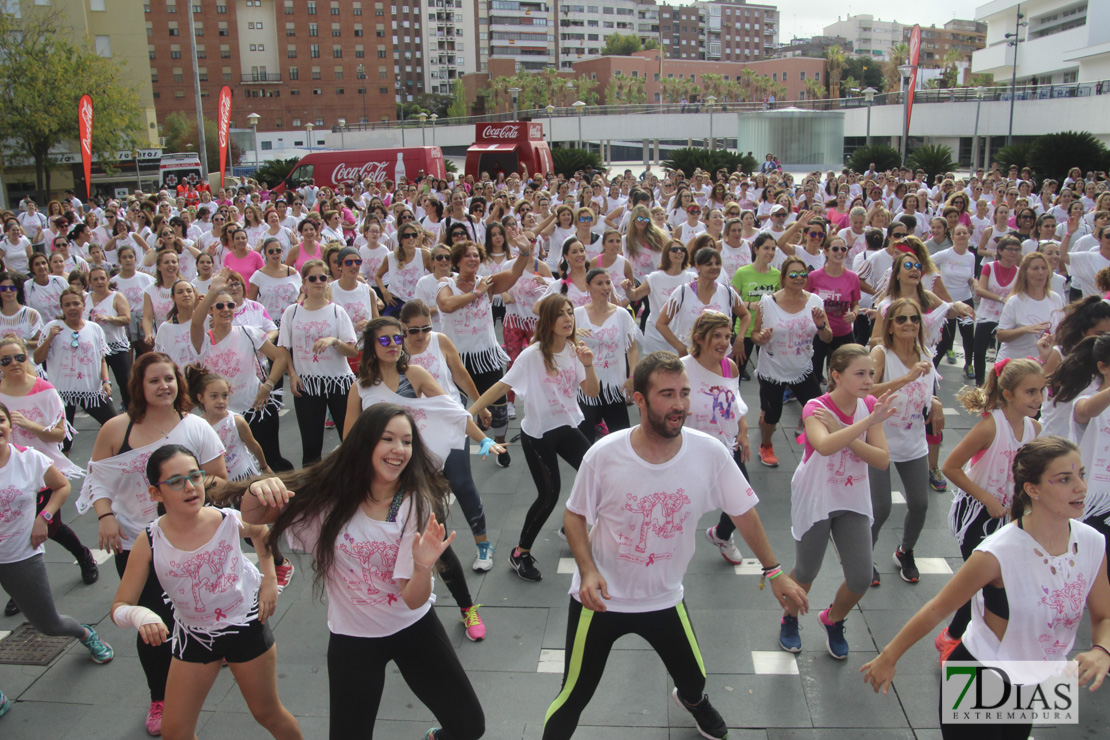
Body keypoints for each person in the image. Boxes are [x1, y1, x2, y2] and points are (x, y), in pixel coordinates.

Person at [542, 351, 808, 740]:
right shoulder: (603, 455)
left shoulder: (710, 452)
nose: (680, 404)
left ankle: (694, 702)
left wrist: (775, 571)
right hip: (600, 600)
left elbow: (744, 512)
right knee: (573, 695)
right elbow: (575, 515)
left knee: (695, 680)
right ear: (639, 399)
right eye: (667, 394)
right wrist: (587, 571)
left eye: (684, 393)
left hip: (664, 597)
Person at [239, 404, 486, 740]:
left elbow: (412, 599)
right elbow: (253, 518)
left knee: (469, 726)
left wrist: (424, 565)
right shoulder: (328, 498)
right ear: (365, 442)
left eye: (407, 441)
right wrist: (257, 490)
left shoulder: (413, 504)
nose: (399, 450)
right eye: (388, 439)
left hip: (413, 629)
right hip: (353, 639)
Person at [862, 436, 1110, 740]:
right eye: (1064, 479)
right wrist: (888, 657)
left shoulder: (1092, 542)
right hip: (979, 675)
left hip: (1031, 678)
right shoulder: (997, 552)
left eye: (1081, 475)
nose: (1081, 487)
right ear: (1033, 490)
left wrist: (1102, 650)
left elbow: (1104, 615)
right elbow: (938, 608)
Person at [77, 352, 228, 736]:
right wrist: (105, 516)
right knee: (151, 622)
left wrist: (185, 489)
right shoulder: (116, 429)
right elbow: (96, 480)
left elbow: (219, 479)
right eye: (154, 380)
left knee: (200, 606)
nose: (163, 386)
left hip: (190, 540)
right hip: (133, 542)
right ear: (138, 387)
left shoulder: (196, 427)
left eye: (169, 379)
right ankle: (159, 695)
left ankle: (212, 646)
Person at [111, 445, 302, 740]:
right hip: (194, 636)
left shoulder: (225, 519)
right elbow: (120, 606)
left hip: (245, 627)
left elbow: (261, 532)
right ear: (155, 493)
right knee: (175, 732)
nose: (189, 487)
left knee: (267, 713)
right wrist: (140, 614)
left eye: (195, 476)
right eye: (175, 481)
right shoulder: (149, 540)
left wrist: (268, 581)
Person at [343, 316, 507, 642]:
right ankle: (393, 605)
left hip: (418, 474)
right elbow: (350, 436)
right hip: (381, 478)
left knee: (436, 545)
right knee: (385, 541)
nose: (392, 345)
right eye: (384, 340)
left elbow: (451, 411)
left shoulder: (414, 374)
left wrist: (482, 439)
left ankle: (467, 608)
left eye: (396, 338)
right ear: (371, 346)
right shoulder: (360, 387)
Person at [468, 294, 598, 582]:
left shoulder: (575, 351)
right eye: (560, 314)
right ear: (548, 321)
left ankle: (571, 526)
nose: (568, 319)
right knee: (549, 495)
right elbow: (502, 385)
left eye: (570, 313)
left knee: (596, 474)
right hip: (538, 435)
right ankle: (520, 553)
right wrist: (471, 412)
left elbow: (591, 393)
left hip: (566, 426)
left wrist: (588, 364)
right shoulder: (532, 354)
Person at [0, 399, 114, 718]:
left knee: (48, 624)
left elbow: (61, 486)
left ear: (9, 426)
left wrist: (44, 517)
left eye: (0, 420)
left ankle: (84, 634)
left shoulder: (29, 460)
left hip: (20, 555)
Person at [778, 345, 893, 658]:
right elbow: (825, 445)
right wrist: (862, 426)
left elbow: (882, 460)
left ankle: (833, 619)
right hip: (816, 495)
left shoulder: (870, 407)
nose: (869, 379)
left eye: (871, 373)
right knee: (805, 571)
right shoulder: (816, 406)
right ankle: (789, 618)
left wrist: (851, 426)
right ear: (836, 376)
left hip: (851, 496)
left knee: (861, 577)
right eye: (860, 373)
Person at [938, 358, 1044, 656]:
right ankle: (953, 637)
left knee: (997, 582)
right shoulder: (990, 426)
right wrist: (987, 497)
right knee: (980, 581)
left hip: (1009, 515)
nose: (1038, 399)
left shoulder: (1035, 429)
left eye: (1041, 391)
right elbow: (951, 467)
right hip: (975, 514)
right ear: (1008, 393)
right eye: (1031, 392)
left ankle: (963, 636)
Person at [0, 338, 95, 617]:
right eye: (5, 360)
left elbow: (59, 434)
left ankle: (83, 556)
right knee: (14, 532)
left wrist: (30, 425)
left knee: (48, 527)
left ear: (26, 357)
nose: (13, 364)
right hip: (7, 471)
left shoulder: (45, 390)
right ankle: (22, 589)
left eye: (18, 357)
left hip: (40, 469)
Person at [438, 238, 531, 467]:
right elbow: (447, 305)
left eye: (476, 255)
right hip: (456, 360)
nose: (473, 259)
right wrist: (477, 293)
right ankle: (453, 452)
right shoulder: (446, 282)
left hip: (486, 357)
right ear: (458, 261)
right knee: (454, 409)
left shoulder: (486, 282)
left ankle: (499, 443)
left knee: (498, 410)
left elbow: (515, 273)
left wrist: (525, 252)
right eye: (468, 255)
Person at [868, 299, 941, 585]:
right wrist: (907, 377)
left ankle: (905, 551)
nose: (909, 323)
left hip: (913, 441)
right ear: (890, 325)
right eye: (901, 319)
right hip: (880, 441)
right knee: (881, 508)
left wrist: (935, 401)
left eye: (914, 318)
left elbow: (928, 387)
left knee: (920, 504)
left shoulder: (926, 352)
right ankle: (864, 555)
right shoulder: (881, 354)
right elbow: (867, 391)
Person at [678, 312, 753, 564]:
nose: (724, 342)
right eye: (717, 336)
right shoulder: (682, 368)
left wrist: (743, 431)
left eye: (727, 336)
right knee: (683, 507)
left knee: (742, 498)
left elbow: (735, 402)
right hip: (690, 450)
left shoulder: (729, 366)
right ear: (699, 338)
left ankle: (721, 535)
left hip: (724, 447)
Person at [750, 255, 833, 468]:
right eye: (793, 274)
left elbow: (828, 337)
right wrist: (761, 338)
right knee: (772, 414)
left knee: (817, 409)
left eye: (803, 274)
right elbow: (755, 335)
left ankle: (810, 440)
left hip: (802, 368)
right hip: (773, 370)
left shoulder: (815, 302)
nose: (799, 278)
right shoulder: (768, 303)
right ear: (783, 277)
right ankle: (766, 445)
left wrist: (822, 325)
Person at [277, 261, 358, 465]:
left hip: (339, 382)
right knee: (311, 446)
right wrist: (292, 374)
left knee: (350, 441)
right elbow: (283, 348)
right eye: (312, 278)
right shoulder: (292, 312)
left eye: (322, 277)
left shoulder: (337, 311)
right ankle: (313, 493)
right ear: (304, 282)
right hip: (307, 382)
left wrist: (334, 341)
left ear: (328, 281)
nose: (318, 282)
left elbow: (352, 349)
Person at [33, 288, 117, 451]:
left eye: (76, 303)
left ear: (83, 305)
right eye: (67, 304)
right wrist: (49, 338)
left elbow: (101, 359)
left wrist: (106, 381)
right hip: (62, 393)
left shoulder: (94, 328)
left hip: (90, 391)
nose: (72, 307)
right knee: (64, 443)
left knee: (114, 423)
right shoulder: (52, 327)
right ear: (62, 308)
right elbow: (37, 358)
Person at [574, 268, 639, 442]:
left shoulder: (622, 314)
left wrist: (632, 376)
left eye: (608, 282)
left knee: (622, 437)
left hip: (614, 387)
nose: (605, 287)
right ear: (588, 286)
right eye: (599, 283)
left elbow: (632, 349)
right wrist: (569, 335)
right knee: (585, 441)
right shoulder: (576, 314)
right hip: (585, 387)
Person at [656, 245, 749, 359]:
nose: (714, 267)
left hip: (721, 356)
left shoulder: (727, 292)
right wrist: (680, 348)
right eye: (708, 264)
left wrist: (739, 339)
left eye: (717, 263)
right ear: (697, 266)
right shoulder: (683, 292)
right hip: (691, 355)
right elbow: (661, 323)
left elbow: (745, 315)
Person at [995, 252, 1064, 363]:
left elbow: (1061, 330)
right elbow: (1001, 335)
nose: (1040, 273)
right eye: (1035, 268)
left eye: (1044, 268)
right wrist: (1025, 329)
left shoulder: (1056, 299)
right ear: (1025, 273)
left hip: (1041, 364)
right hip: (1015, 363)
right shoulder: (1015, 301)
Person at [84, 265, 133, 408]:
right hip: (94, 347)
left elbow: (126, 319)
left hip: (115, 345)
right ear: (90, 282)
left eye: (102, 278)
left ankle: (131, 409)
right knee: (97, 382)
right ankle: (106, 414)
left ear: (108, 280)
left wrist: (109, 318)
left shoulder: (116, 297)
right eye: (95, 279)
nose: (99, 282)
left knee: (125, 381)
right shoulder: (85, 298)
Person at [248, 237, 302, 328]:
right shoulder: (258, 276)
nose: (275, 254)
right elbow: (251, 303)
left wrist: (299, 301)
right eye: (271, 251)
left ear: (282, 252)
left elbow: (303, 292)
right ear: (265, 253)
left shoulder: (293, 273)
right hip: (268, 324)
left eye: (278, 250)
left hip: (291, 321)